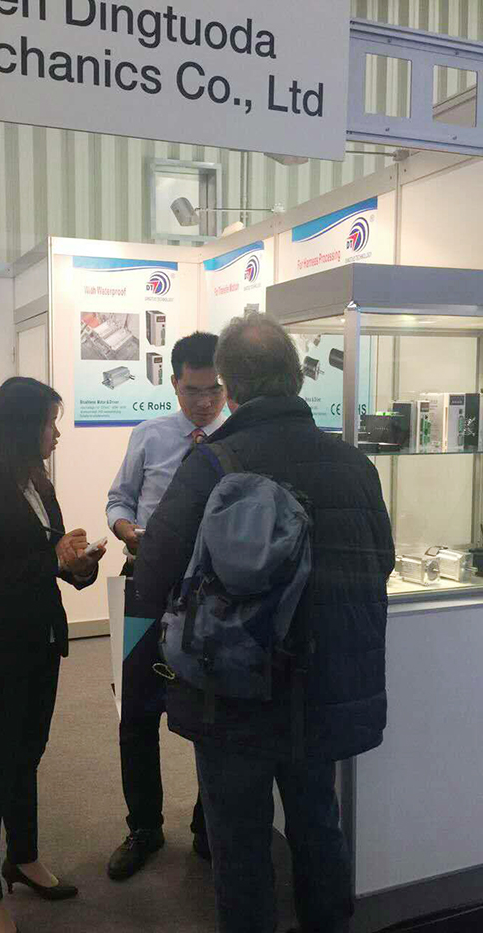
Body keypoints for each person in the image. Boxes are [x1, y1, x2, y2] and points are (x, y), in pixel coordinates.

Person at [135, 313, 395, 933]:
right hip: (325, 685)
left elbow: (153, 572)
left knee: (240, 843)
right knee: (318, 824)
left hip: (234, 687)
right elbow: (380, 562)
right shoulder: (353, 464)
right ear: (297, 378)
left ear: (231, 387)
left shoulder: (213, 463)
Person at [0, 377, 106, 933]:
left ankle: (23, 857)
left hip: (41, 640)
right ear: (21, 426)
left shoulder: (38, 483)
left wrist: (79, 565)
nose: (56, 434)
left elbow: (49, 560)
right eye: (49, 423)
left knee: (27, 757)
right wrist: (54, 560)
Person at [105, 331, 227, 880]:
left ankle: (208, 824)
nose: (204, 402)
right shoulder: (149, 435)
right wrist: (127, 530)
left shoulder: (236, 440)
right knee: (136, 713)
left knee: (212, 713)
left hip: (213, 597)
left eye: (214, 390)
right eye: (193, 390)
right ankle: (144, 827)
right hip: (146, 589)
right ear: (174, 383)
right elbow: (119, 499)